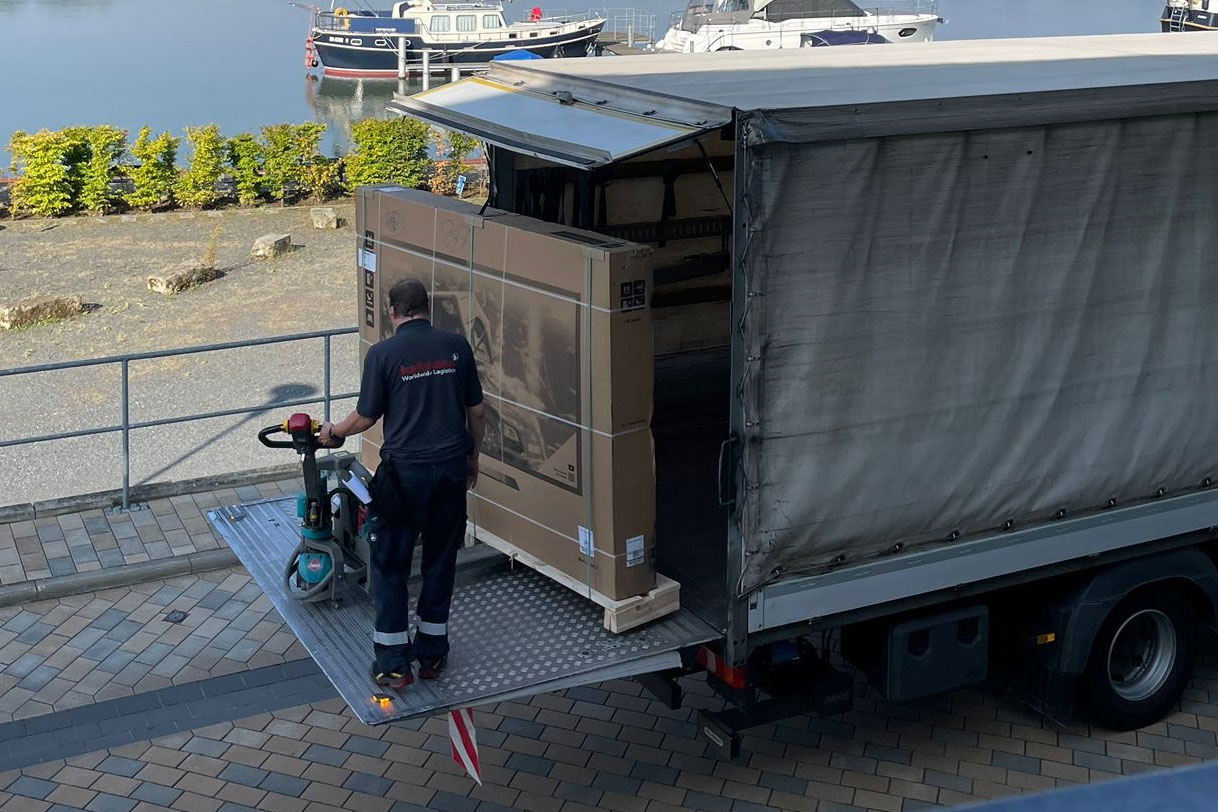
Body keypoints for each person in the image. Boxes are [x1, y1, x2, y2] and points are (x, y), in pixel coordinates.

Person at [321, 278, 484, 691]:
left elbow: (366, 416)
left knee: (391, 564)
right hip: (450, 472)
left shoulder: (383, 354)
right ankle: (432, 655)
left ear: (392, 312)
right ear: (427, 308)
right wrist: (473, 457)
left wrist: (333, 433)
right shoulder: (457, 346)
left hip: (404, 478)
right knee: (440, 560)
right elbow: (478, 411)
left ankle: (394, 665)